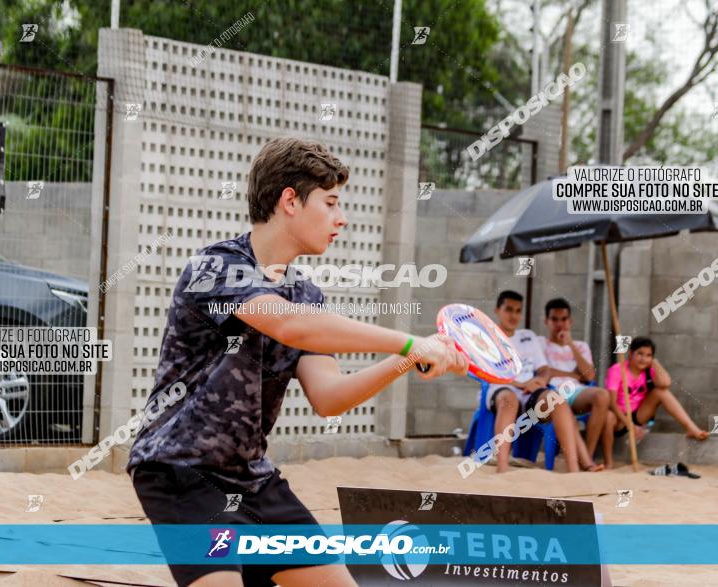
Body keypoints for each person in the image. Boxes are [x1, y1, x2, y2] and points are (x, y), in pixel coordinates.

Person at [126, 137, 468, 587]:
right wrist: (408, 343)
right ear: (290, 200)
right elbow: (289, 325)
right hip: (181, 472)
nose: (341, 218)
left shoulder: (306, 293)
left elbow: (328, 397)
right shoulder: (214, 268)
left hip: (253, 480)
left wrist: (407, 360)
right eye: (330, 203)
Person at [488, 290, 603, 473]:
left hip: (530, 391)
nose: (513, 315)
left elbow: (544, 369)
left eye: (518, 311)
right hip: (503, 387)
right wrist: (519, 384)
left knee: (556, 399)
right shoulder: (489, 338)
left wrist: (540, 380)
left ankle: (574, 469)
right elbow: (488, 371)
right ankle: (502, 467)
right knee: (509, 400)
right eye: (508, 310)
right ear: (497, 310)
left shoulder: (528, 337)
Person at [539, 298, 622, 468]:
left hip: (576, 393)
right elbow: (545, 373)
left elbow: (589, 375)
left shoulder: (581, 346)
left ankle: (587, 457)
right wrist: (573, 374)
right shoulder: (540, 344)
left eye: (564, 319)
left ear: (570, 321)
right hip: (551, 392)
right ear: (546, 321)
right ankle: (587, 462)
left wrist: (569, 344)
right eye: (554, 319)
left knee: (602, 395)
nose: (560, 324)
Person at [606, 336, 709, 441]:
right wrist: (630, 425)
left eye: (648, 355)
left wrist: (655, 362)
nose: (644, 359)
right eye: (640, 354)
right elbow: (612, 403)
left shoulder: (648, 370)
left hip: (639, 415)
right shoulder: (616, 370)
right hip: (619, 419)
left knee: (662, 392)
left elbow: (666, 383)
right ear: (631, 354)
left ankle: (691, 428)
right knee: (610, 417)